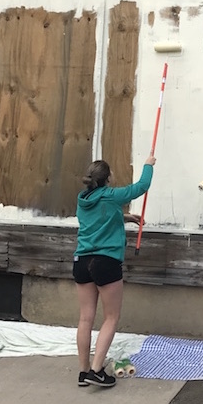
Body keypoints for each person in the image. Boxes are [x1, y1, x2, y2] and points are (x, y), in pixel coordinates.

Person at [73, 156, 155, 388]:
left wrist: (125, 217)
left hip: (82, 261)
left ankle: (83, 371)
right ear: (108, 178)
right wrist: (149, 164)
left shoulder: (83, 199)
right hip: (105, 261)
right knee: (111, 317)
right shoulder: (111, 195)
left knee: (85, 318)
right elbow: (141, 187)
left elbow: (99, 218)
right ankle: (97, 370)